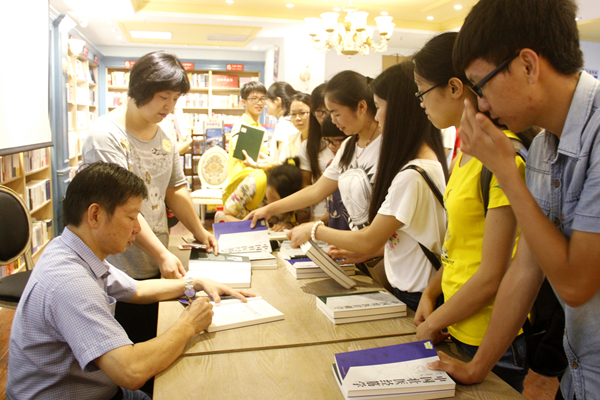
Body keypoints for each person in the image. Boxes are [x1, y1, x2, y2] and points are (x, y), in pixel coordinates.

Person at [426, 2, 600, 400]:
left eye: (481, 86)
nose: (482, 104)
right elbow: (525, 270)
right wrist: (476, 368)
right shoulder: (543, 148)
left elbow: (576, 285)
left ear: (527, 66)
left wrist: (505, 170)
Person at [6, 162, 251, 400]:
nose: (137, 229)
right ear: (95, 215)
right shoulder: (71, 282)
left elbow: (138, 289)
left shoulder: (71, 249)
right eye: (131, 217)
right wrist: (189, 323)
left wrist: (195, 283)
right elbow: (131, 371)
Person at [81, 52, 218, 372]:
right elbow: (122, 209)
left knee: (157, 342)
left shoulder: (165, 134)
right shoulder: (105, 136)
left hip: (156, 258)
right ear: (140, 89)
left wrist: (200, 232)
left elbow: (175, 189)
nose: (169, 107)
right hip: (119, 260)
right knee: (128, 346)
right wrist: (160, 254)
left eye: (175, 99)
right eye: (163, 97)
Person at [412, 31, 528, 392]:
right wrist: (431, 294)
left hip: (490, 338)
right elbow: (459, 246)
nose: (421, 103)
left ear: (454, 87)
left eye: (421, 91)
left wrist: (434, 322)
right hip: (457, 324)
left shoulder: (503, 158)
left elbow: (494, 272)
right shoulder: (465, 154)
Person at [288, 62, 448, 311]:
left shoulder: (413, 174)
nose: (376, 116)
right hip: (415, 288)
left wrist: (314, 229)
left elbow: (368, 240)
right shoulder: (421, 165)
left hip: (419, 294)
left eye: (379, 107)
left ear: (399, 111)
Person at [247, 71, 381, 253]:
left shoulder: (385, 146)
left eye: (336, 113)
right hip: (351, 245)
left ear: (362, 107)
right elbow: (317, 190)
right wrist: (269, 209)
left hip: (375, 249)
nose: (332, 120)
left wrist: (314, 228)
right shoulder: (349, 145)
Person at [222, 158, 303, 227]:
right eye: (272, 196)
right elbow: (226, 216)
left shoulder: (299, 197)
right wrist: (250, 225)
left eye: (281, 203)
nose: (274, 204)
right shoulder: (253, 183)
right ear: (268, 182)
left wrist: (289, 225)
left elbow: (299, 222)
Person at [297, 84, 336, 220]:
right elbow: (305, 186)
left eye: (329, 111)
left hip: (344, 216)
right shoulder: (308, 146)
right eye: (319, 112)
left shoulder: (349, 143)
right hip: (318, 214)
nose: (325, 117)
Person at [228, 81, 269, 180]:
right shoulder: (241, 126)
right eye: (254, 98)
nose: (259, 102)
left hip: (258, 181)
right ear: (244, 102)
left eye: (262, 98)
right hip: (242, 183)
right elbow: (247, 158)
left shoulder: (262, 129)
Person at [320, 116, 350, 231]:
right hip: (336, 232)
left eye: (337, 140)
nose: (331, 146)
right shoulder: (331, 165)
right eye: (327, 140)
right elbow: (333, 211)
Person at [266, 81, 299, 162]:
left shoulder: (283, 124)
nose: (266, 103)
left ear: (277, 100)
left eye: (268, 100)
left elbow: (282, 161)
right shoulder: (290, 121)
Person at [279, 92, 311, 163]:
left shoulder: (324, 141)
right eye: (293, 114)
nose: (297, 118)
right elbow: (282, 164)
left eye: (302, 113)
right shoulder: (291, 140)